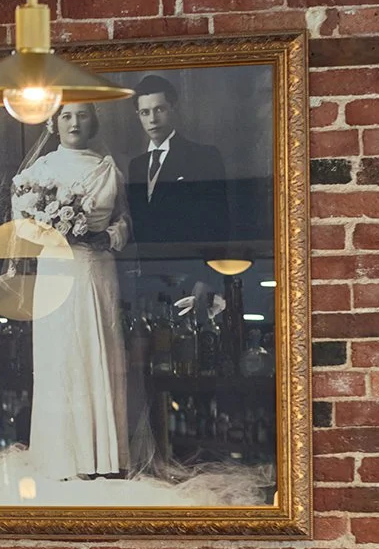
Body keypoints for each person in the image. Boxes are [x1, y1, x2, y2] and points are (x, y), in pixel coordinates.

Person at [15, 102, 137, 482]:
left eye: (82, 115)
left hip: (95, 270)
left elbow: (124, 223)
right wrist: (54, 230)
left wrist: (106, 235)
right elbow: (22, 226)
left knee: (97, 349)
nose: (74, 122)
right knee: (60, 357)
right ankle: (62, 458)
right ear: (54, 123)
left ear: (93, 121)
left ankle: (102, 458)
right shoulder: (40, 171)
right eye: (66, 115)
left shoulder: (108, 170)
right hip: (55, 272)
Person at [124, 75, 232, 258]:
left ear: (173, 109)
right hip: (148, 273)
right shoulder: (137, 166)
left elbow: (217, 223)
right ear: (138, 116)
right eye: (145, 112)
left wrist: (204, 279)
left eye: (159, 109)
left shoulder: (203, 157)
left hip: (190, 270)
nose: (152, 119)